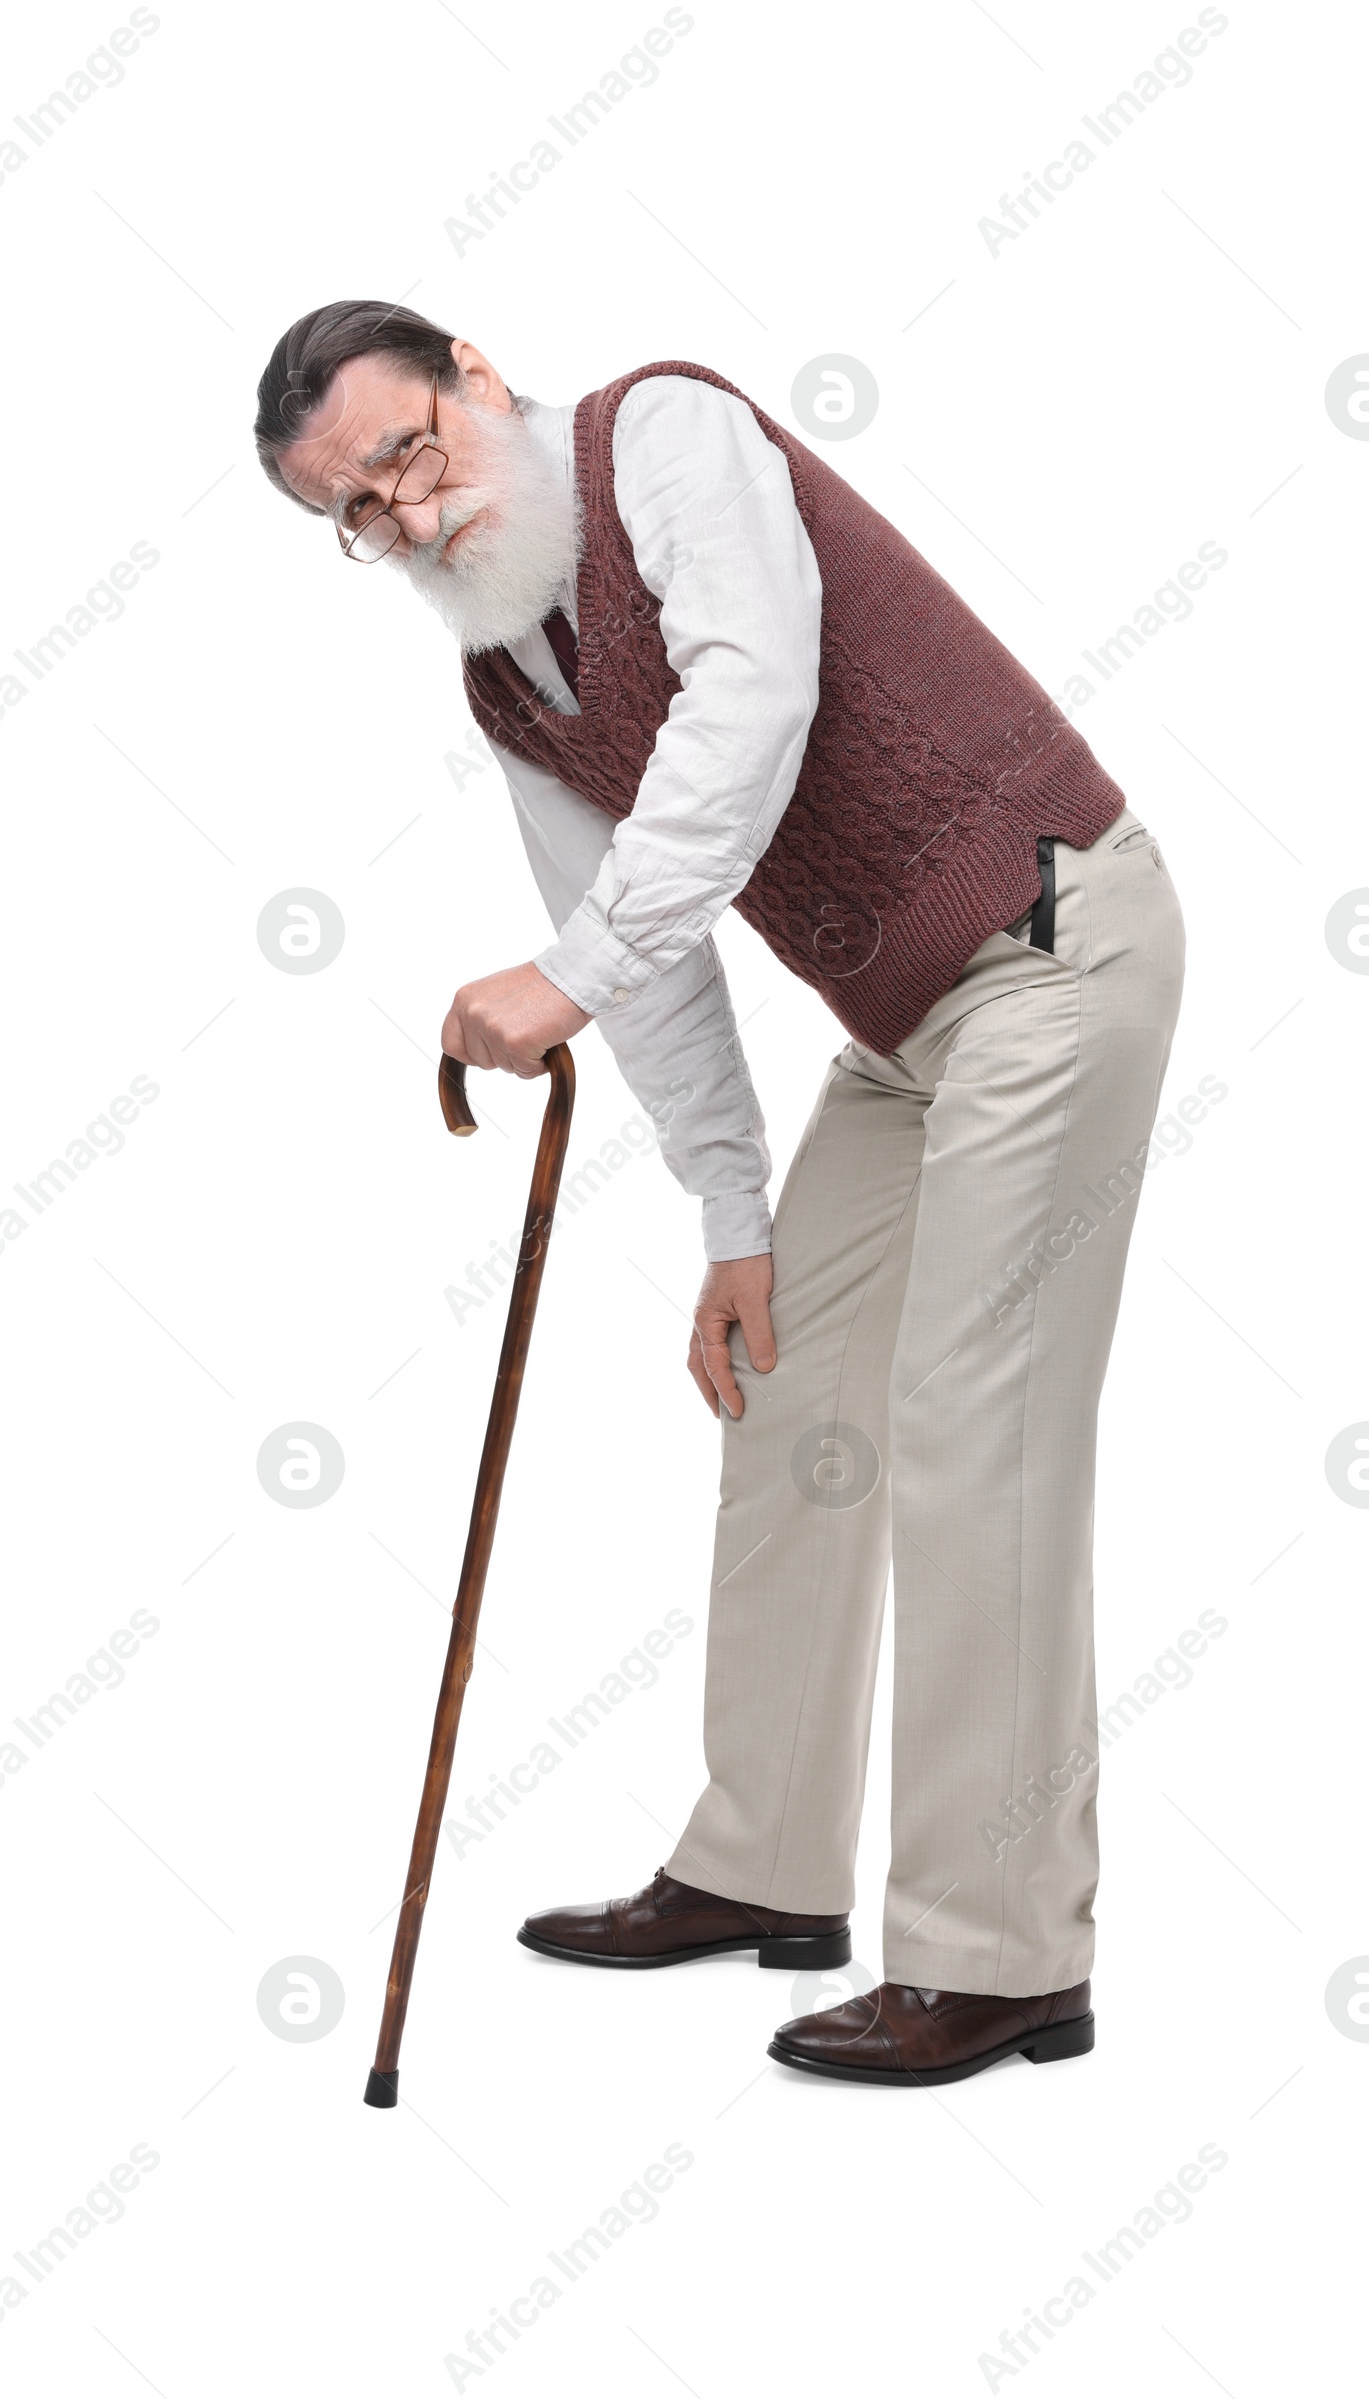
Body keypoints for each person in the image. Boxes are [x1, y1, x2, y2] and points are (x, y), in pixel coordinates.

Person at [253, 302, 1185, 2087]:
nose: (408, 515)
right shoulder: (505, 680)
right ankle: (763, 1865)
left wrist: (567, 972)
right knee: (785, 1392)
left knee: (968, 1424)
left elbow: (752, 705)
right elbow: (656, 968)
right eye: (354, 516)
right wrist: (731, 1220)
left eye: (404, 454)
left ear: (469, 374)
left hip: (1055, 941)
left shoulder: (663, 437)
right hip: (913, 1027)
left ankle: (1003, 1957)